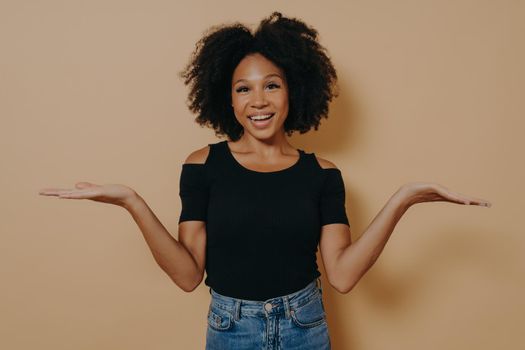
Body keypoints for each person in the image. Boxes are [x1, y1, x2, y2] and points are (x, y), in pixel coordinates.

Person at [38, 11, 492, 350]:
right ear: (227, 98)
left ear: (293, 91)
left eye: (271, 85)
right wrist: (131, 201)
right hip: (231, 329)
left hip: (306, 326)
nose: (259, 100)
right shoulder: (202, 166)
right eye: (243, 88)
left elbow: (343, 275)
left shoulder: (324, 174)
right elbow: (188, 275)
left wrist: (404, 198)